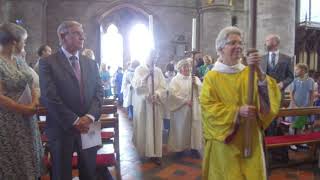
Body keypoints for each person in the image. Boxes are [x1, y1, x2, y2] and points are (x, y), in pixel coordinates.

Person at [200, 26, 281, 180]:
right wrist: (237, 112)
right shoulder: (212, 77)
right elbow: (208, 109)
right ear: (220, 48)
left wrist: (258, 70)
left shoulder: (249, 72)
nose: (238, 47)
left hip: (250, 138)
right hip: (226, 141)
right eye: (232, 43)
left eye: (240, 43)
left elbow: (269, 101)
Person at [39, 21, 109, 180]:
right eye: (77, 33)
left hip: (90, 126)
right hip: (61, 126)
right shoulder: (48, 63)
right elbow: (50, 97)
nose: (82, 36)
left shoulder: (91, 63)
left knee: (90, 171)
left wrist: (89, 117)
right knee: (61, 173)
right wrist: (75, 120)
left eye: (82, 32)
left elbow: (99, 93)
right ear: (63, 36)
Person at [0, 22, 44, 179]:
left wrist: (34, 102)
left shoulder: (19, 60)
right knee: (14, 161)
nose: (25, 44)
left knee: (31, 156)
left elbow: (31, 83)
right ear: (13, 42)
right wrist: (24, 109)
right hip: (9, 121)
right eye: (23, 41)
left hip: (28, 118)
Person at [132, 51, 167, 165]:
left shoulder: (158, 71)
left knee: (155, 128)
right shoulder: (139, 69)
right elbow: (137, 84)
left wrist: (156, 94)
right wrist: (147, 95)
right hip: (144, 105)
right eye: (152, 56)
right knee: (145, 127)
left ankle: (156, 153)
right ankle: (145, 151)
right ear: (146, 56)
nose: (154, 59)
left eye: (156, 56)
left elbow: (163, 87)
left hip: (155, 103)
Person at [167, 58, 202, 158]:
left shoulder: (194, 78)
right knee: (180, 128)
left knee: (194, 128)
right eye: (184, 66)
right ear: (179, 68)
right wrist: (184, 101)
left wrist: (197, 85)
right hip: (181, 110)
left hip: (194, 107)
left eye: (188, 66)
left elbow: (202, 91)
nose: (187, 68)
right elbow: (172, 94)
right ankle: (179, 149)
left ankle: (194, 148)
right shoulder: (175, 80)